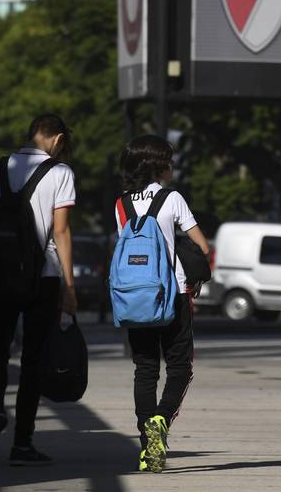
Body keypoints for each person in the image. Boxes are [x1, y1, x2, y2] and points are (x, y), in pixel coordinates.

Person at [0, 115, 76, 467]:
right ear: (57, 139)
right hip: (41, 276)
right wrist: (69, 286)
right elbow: (60, 232)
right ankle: (23, 444)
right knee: (33, 361)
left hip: (1, 272)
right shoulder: (60, 173)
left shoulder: (0, 167)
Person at [113, 135, 211, 473]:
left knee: (145, 369)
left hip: (134, 298)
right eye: (169, 160)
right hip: (174, 295)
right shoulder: (172, 199)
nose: (173, 165)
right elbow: (202, 245)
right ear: (159, 165)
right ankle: (161, 417)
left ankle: (146, 446)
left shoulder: (121, 204)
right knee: (180, 367)